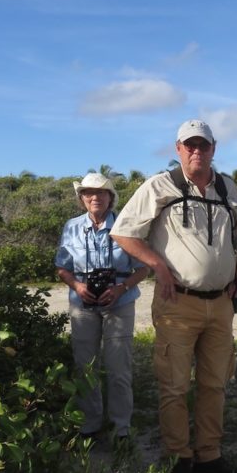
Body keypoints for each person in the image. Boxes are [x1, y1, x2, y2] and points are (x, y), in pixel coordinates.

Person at [111, 119, 237, 473]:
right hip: (178, 303)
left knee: (214, 384)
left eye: (203, 146)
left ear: (213, 149)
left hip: (221, 303)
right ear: (177, 149)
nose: (196, 152)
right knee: (173, 386)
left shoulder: (229, 189)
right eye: (189, 145)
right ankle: (179, 459)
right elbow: (124, 232)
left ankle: (209, 456)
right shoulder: (160, 186)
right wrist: (157, 264)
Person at [55, 173, 150, 442]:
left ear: (111, 197)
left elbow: (143, 268)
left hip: (119, 303)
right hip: (82, 304)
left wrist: (121, 288)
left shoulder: (126, 226)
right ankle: (90, 424)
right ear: (82, 198)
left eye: (101, 192)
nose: (94, 197)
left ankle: (121, 428)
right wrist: (77, 286)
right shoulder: (71, 227)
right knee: (85, 366)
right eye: (88, 193)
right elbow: (62, 267)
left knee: (119, 367)